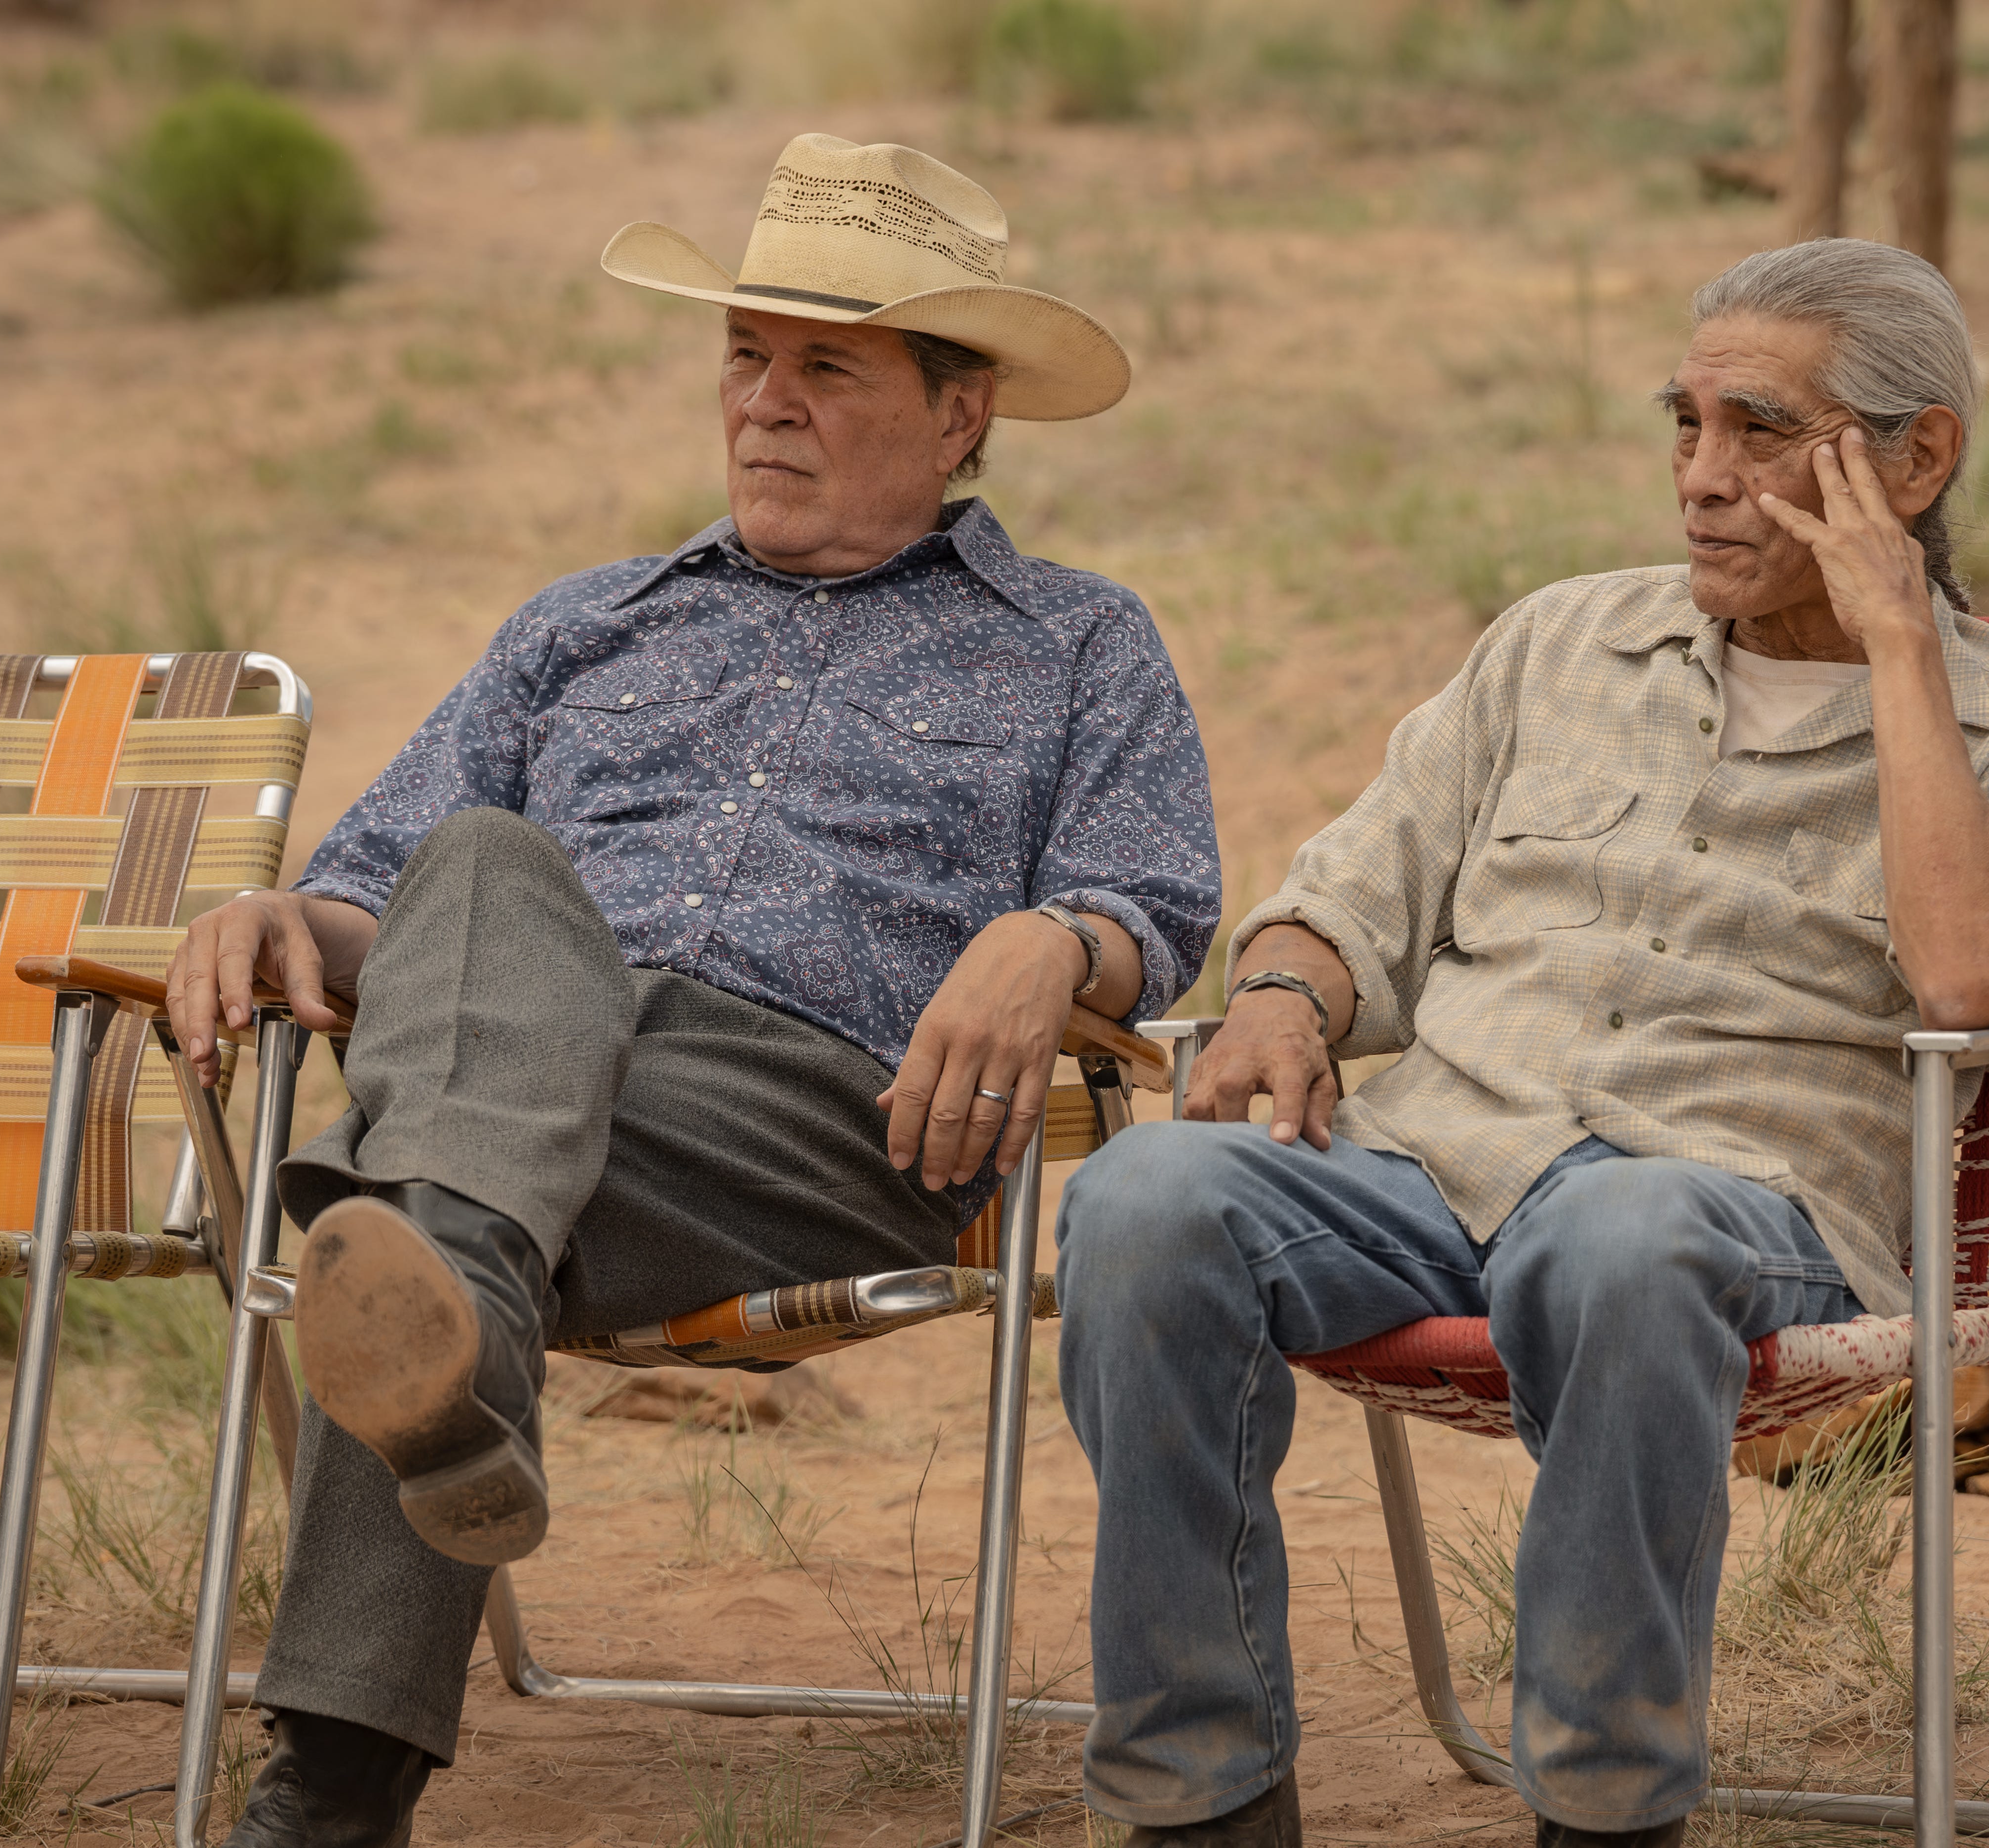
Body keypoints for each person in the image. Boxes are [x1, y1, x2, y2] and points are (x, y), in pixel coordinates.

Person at [161, 134, 1220, 1847]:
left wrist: (1054, 939)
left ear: (962, 412)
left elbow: (1154, 903)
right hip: (534, 1066)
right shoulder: (585, 622)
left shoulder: (1076, 642)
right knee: (483, 865)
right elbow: (377, 892)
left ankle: (339, 1769)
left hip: (815, 1113)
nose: (764, 403)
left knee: (407, 1201)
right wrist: (276, 916)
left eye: (827, 368)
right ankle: (449, 1331)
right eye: (743, 355)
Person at [1053, 238, 1989, 1848]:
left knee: (1623, 1233)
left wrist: (1901, 645)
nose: (1702, 476)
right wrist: (1279, 994)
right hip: (1434, 1170)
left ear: (1917, 462)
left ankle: (1605, 1813)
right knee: (1145, 1201)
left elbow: (1974, 979)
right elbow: (1346, 901)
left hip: (1731, 1205)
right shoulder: (1558, 643)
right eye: (1686, 424)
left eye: (1762, 431)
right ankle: (1200, 1804)